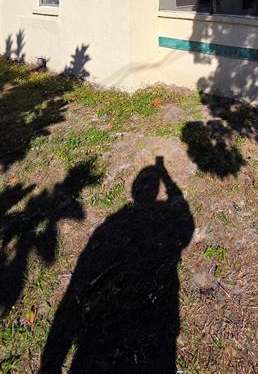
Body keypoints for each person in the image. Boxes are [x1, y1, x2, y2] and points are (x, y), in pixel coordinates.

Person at [39, 157, 194, 374]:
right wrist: (166, 178)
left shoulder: (111, 224)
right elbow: (186, 229)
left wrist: (50, 364)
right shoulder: (121, 223)